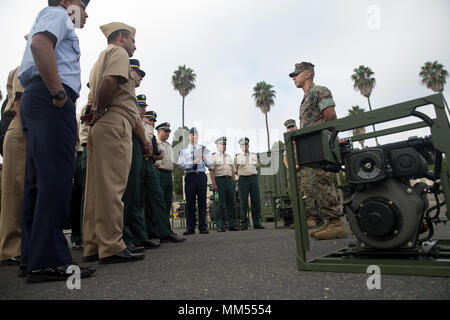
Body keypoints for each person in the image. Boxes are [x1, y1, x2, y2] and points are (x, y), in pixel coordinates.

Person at [17, 0, 95, 283]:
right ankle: (49, 259)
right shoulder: (58, 15)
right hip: (51, 98)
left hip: (38, 96)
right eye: (82, 4)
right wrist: (59, 93)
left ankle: (34, 258)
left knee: (37, 182)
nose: (86, 12)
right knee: (56, 180)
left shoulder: (52, 17)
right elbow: (40, 45)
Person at [81, 22, 148, 265]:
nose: (134, 45)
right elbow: (110, 82)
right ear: (121, 37)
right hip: (114, 120)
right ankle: (111, 245)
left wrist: (95, 111)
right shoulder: (118, 53)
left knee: (95, 190)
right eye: (132, 40)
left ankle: (93, 244)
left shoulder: (98, 59)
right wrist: (100, 110)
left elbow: (96, 92)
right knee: (112, 188)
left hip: (100, 125)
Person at [289, 62, 347, 240]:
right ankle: (330, 221)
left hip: (321, 145)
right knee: (316, 183)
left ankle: (337, 223)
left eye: (296, 75)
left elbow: (330, 115)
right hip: (312, 147)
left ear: (307, 74)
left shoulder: (319, 91)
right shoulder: (306, 98)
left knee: (322, 181)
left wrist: (326, 141)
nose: (294, 78)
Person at [120, 62, 152, 253]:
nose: (141, 76)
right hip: (127, 139)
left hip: (137, 145)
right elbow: (133, 118)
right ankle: (123, 237)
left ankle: (134, 236)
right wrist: (145, 142)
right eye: (138, 72)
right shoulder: (124, 87)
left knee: (134, 195)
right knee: (126, 192)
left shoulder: (129, 90)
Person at [141, 112, 186, 244]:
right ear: (158, 131)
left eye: (168, 131)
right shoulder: (155, 141)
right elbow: (153, 157)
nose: (167, 133)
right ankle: (154, 231)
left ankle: (162, 230)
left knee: (165, 203)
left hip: (168, 174)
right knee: (153, 203)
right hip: (157, 172)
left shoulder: (168, 146)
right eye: (165, 131)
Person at [0, 65, 25, 266]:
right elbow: (20, 103)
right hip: (22, 131)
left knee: (23, 193)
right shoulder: (26, 67)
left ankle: (20, 246)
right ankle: (10, 250)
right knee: (14, 194)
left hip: (24, 131)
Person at [178, 128, 213, 235]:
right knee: (190, 202)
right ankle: (190, 228)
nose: (195, 136)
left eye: (196, 134)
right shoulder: (184, 150)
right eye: (193, 134)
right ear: (189, 136)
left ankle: (203, 227)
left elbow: (210, 164)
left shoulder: (203, 148)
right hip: (190, 176)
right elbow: (181, 164)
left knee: (202, 201)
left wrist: (204, 159)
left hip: (201, 176)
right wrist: (193, 162)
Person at [234, 138, 265, 230]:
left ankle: (257, 223)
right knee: (243, 202)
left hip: (254, 178)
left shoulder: (254, 155)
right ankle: (244, 224)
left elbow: (256, 166)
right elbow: (235, 170)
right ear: (240, 146)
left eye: (246, 144)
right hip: (243, 179)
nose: (245, 146)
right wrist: (243, 174)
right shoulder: (237, 157)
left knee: (255, 201)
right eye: (243, 145)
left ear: (248, 145)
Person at [209, 137, 239, 232]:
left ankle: (231, 225)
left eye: (225, 144)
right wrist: (213, 184)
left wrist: (233, 182)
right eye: (222, 144)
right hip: (219, 181)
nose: (224, 146)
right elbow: (211, 170)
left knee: (231, 203)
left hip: (229, 181)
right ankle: (220, 225)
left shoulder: (229, 157)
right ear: (217, 146)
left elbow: (233, 171)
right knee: (218, 204)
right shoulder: (213, 156)